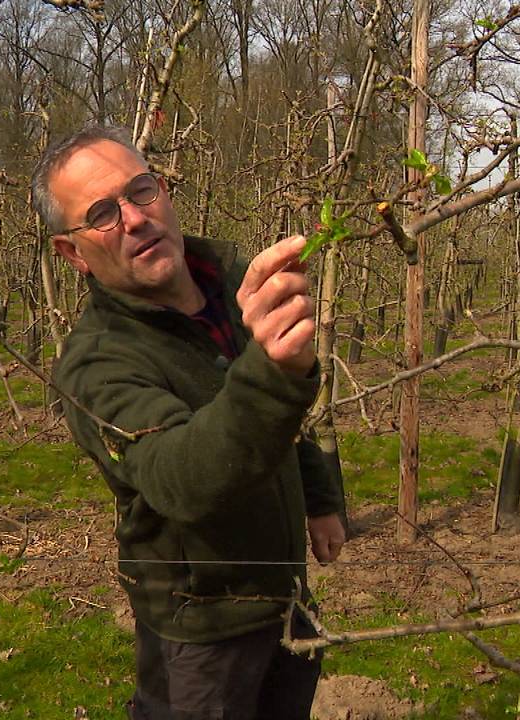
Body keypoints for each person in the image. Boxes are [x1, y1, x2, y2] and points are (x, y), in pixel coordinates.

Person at [30, 125, 347, 719]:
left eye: (140, 191)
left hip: (285, 594)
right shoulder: (95, 367)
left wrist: (320, 497)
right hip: (200, 631)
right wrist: (272, 369)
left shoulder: (230, 282)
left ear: (165, 192)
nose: (133, 218)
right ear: (72, 252)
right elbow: (184, 478)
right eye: (101, 213)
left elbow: (278, 420)